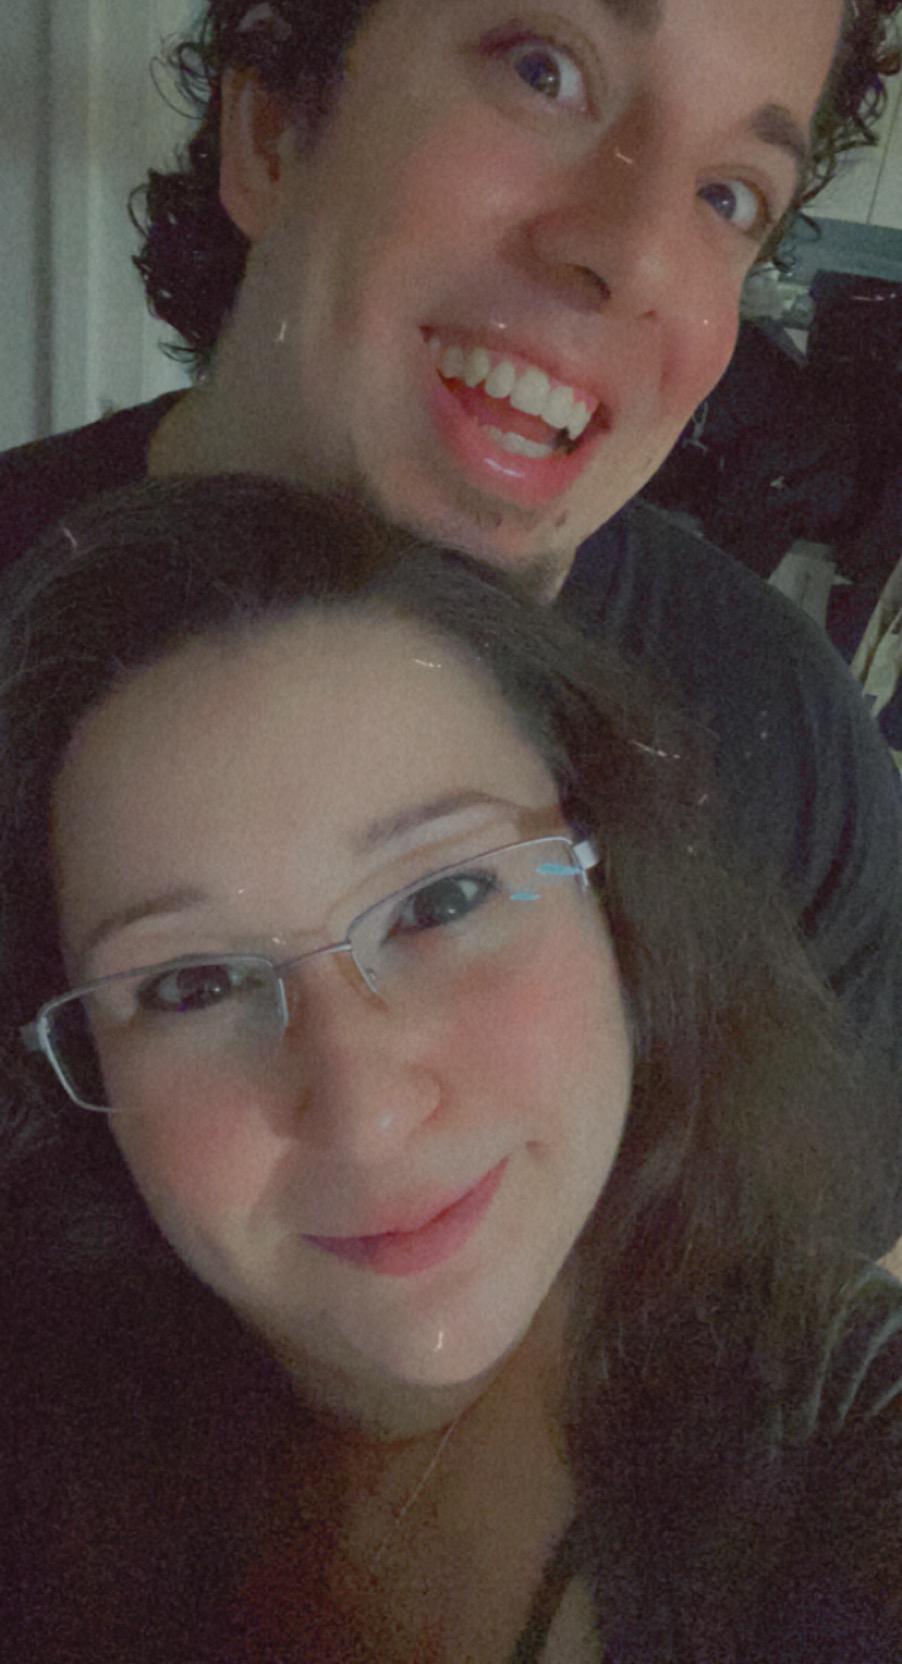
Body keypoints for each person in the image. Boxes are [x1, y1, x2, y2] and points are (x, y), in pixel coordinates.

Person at [2, 0, 901, 1253]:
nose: (633, 253)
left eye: (730, 195)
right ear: (273, 126)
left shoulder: (782, 746)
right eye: (544, 70)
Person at [1, 473, 900, 1663]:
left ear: (612, 891)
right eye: (191, 984)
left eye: (442, 899)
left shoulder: (842, 1434)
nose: (364, 1113)